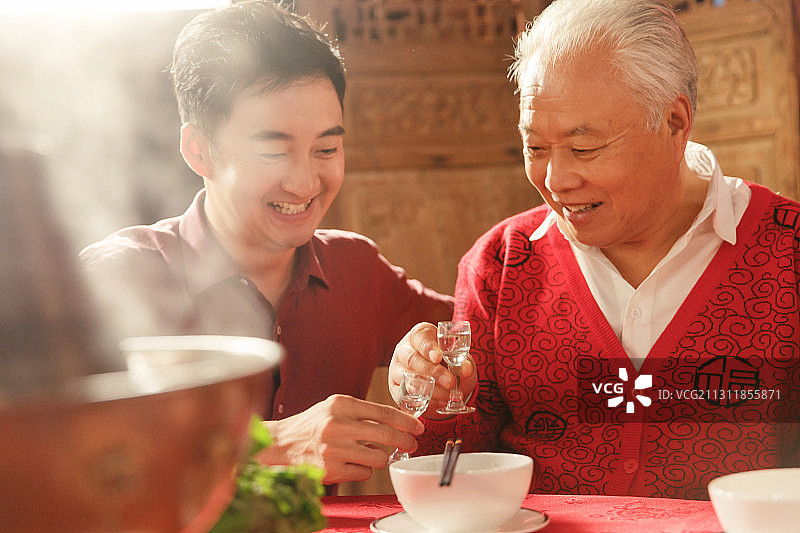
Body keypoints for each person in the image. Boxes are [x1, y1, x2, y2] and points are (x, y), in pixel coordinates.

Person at [389, 0, 800, 500]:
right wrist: (432, 402)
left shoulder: (787, 250)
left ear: (674, 122)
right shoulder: (501, 263)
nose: (556, 180)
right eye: (535, 148)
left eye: (584, 148)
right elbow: (450, 477)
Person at [79, 0, 453, 489]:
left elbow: (475, 334)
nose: (305, 183)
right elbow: (57, 454)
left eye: (326, 149)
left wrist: (432, 365)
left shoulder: (357, 269)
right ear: (198, 150)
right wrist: (271, 447)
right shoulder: (112, 281)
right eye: (274, 152)